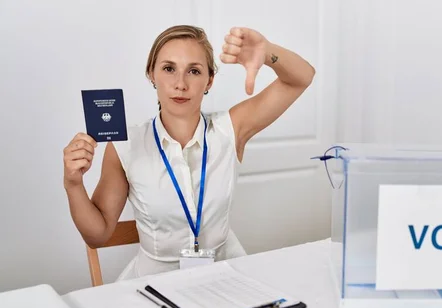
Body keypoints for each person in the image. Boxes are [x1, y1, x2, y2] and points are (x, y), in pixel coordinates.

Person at [63, 25, 315, 280]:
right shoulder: (126, 144)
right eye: (169, 68)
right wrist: (73, 183)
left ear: (209, 80)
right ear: (151, 74)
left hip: (226, 275)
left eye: (194, 71)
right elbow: (98, 235)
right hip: (155, 286)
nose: (180, 84)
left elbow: (301, 77)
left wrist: (268, 51)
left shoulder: (231, 129)